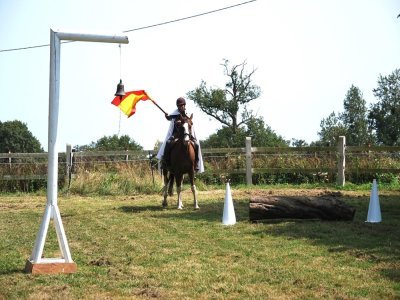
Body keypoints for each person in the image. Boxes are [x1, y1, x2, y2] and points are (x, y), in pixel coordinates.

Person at [157, 97, 204, 173]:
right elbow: (169, 118)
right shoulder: (174, 114)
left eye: (182, 105)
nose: (181, 107)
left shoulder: (188, 114)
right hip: (177, 134)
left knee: (197, 144)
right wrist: (166, 116)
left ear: (184, 105)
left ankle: (196, 163)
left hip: (187, 134)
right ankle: (166, 162)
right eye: (179, 105)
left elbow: (190, 123)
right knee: (168, 143)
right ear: (177, 106)